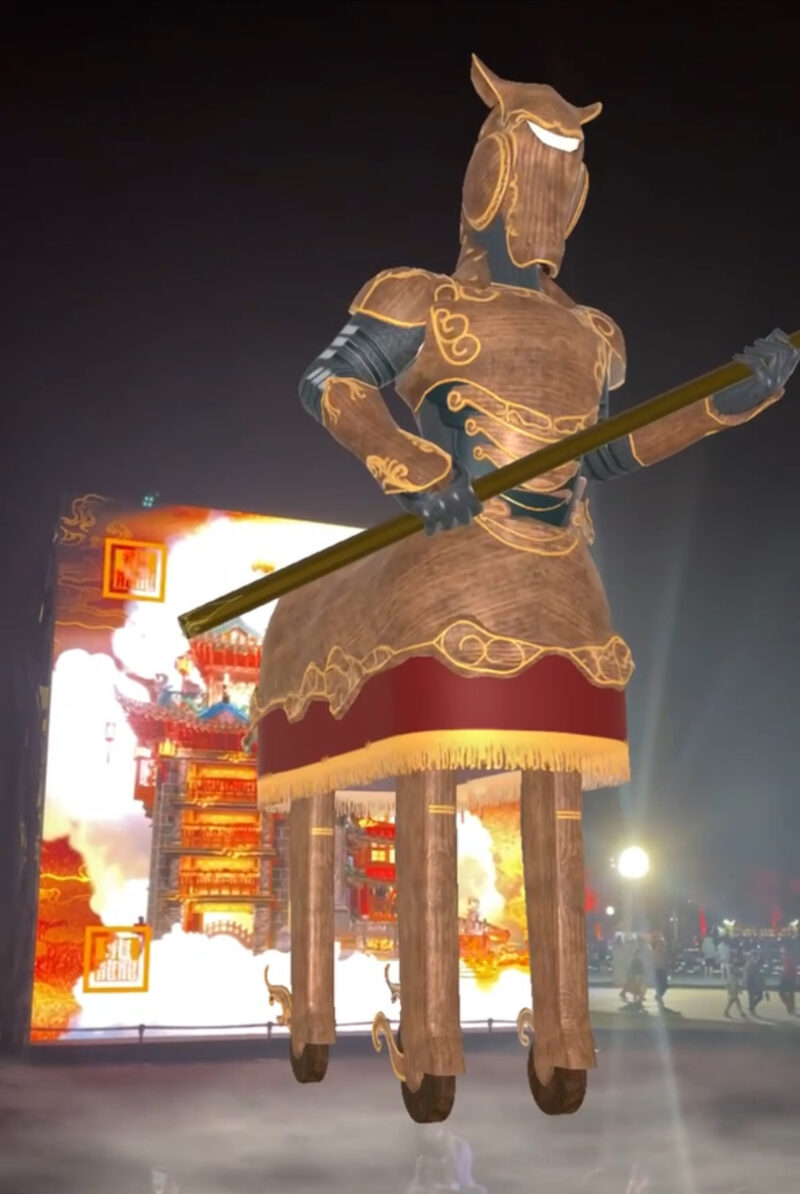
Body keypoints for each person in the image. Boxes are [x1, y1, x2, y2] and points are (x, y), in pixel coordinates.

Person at [778, 944, 797, 1015]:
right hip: (791, 978)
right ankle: (791, 1007)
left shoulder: (787, 957)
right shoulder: (788, 956)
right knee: (790, 993)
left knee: (782, 993)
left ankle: (790, 1006)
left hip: (787, 978)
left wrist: (783, 974)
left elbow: (787, 968)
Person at [651, 933, 669, 1005]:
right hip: (657, 970)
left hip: (661, 969)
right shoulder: (654, 953)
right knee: (661, 985)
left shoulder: (662, 952)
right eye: (660, 945)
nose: (661, 946)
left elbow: (665, 961)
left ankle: (658, 996)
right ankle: (658, 996)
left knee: (664, 985)